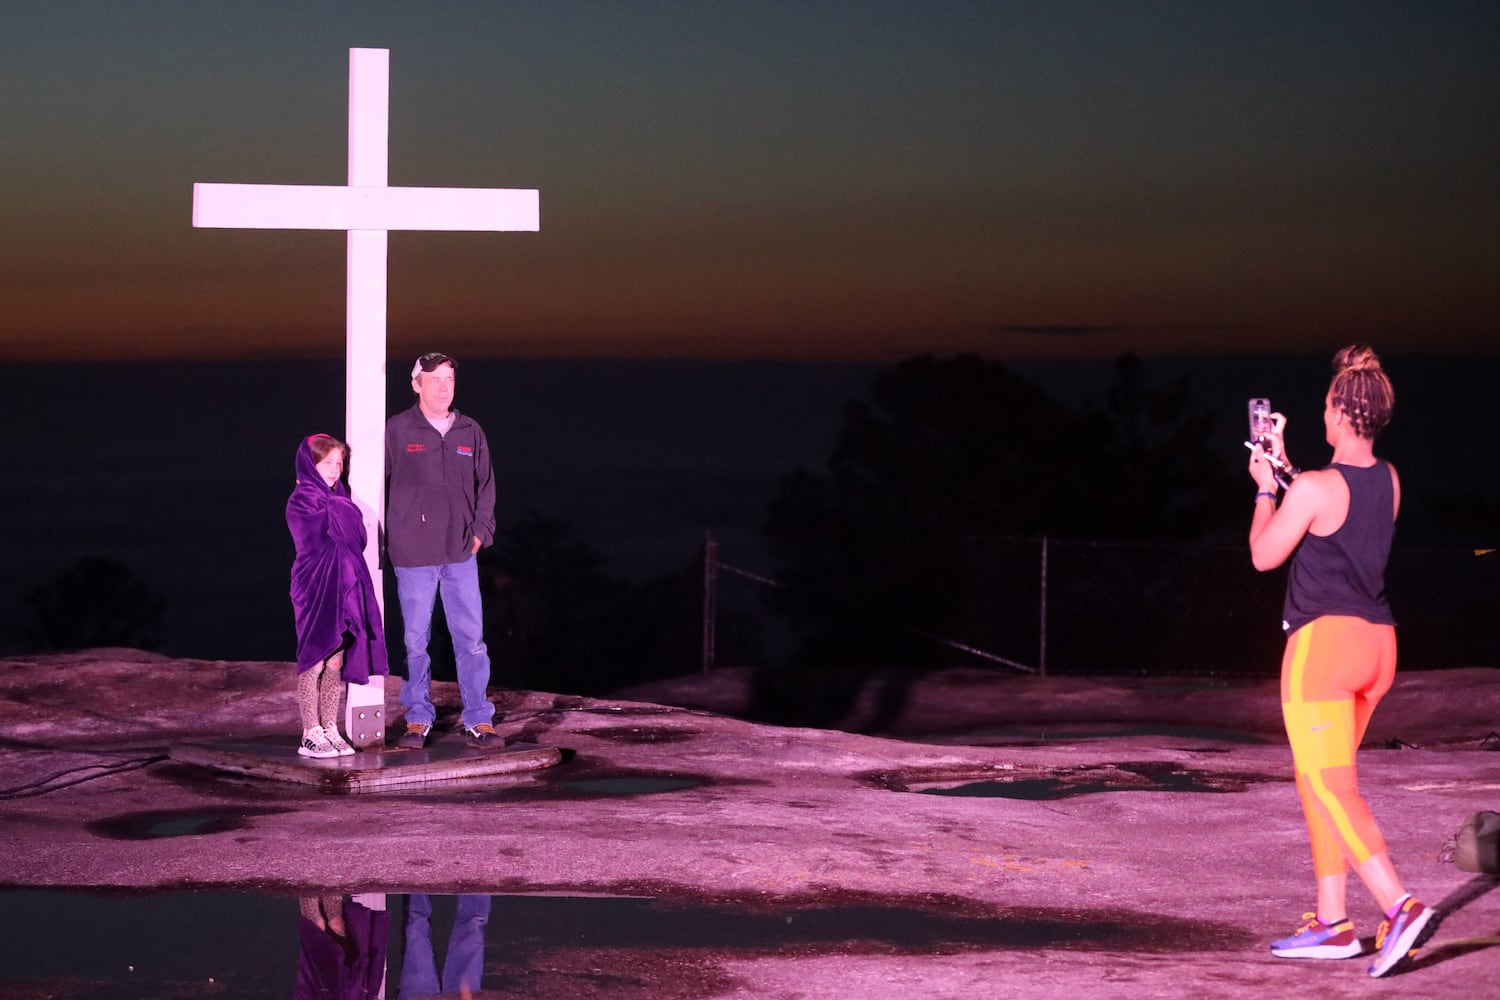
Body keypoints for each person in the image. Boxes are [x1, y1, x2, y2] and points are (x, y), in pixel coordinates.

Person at [1247, 345, 1435, 978]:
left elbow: (1265, 555)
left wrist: (1264, 489)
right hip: (1378, 646)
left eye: (1327, 405)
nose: (1321, 414)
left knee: (1328, 784)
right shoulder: (1390, 479)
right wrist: (1288, 473)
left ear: (1341, 412)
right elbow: (1337, 514)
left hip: (1323, 649)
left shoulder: (1311, 488)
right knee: (1322, 783)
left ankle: (1399, 906)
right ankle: (1333, 923)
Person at [385, 352, 502, 749]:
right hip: (413, 555)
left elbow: (486, 487)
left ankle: (478, 718)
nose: (442, 387)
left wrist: (481, 532)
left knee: (471, 639)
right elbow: (372, 481)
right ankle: (418, 717)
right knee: (416, 641)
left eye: (449, 380)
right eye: (434, 380)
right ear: (416, 384)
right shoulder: (397, 430)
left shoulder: (470, 430)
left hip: (460, 553)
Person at [286, 434, 389, 758]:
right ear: (310, 464)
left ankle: (329, 727)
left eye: (338, 463)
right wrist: (341, 509)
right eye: (326, 462)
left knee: (335, 659)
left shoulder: (338, 498)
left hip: (343, 585)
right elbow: (314, 539)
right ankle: (309, 732)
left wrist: (341, 508)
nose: (333, 469)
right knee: (313, 659)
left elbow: (355, 538)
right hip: (315, 586)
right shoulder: (302, 498)